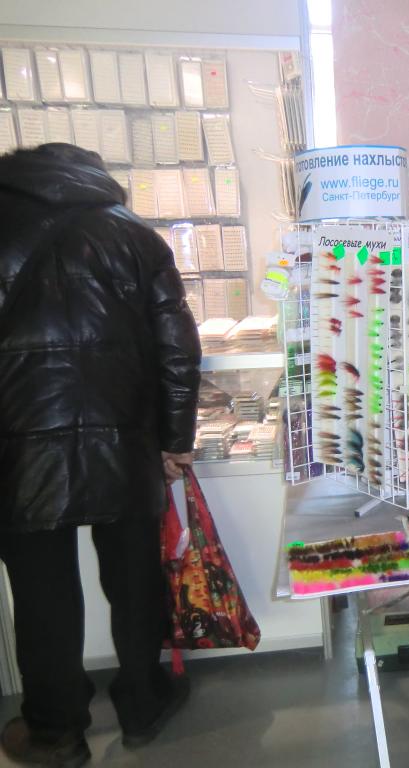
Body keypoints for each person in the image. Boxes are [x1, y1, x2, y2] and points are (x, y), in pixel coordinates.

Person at [0, 143, 201, 767]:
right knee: (135, 580)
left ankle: (55, 731)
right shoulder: (134, 236)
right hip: (125, 439)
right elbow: (178, 351)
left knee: (41, 595)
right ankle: (143, 703)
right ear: (92, 177)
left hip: (17, 446)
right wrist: (175, 441)